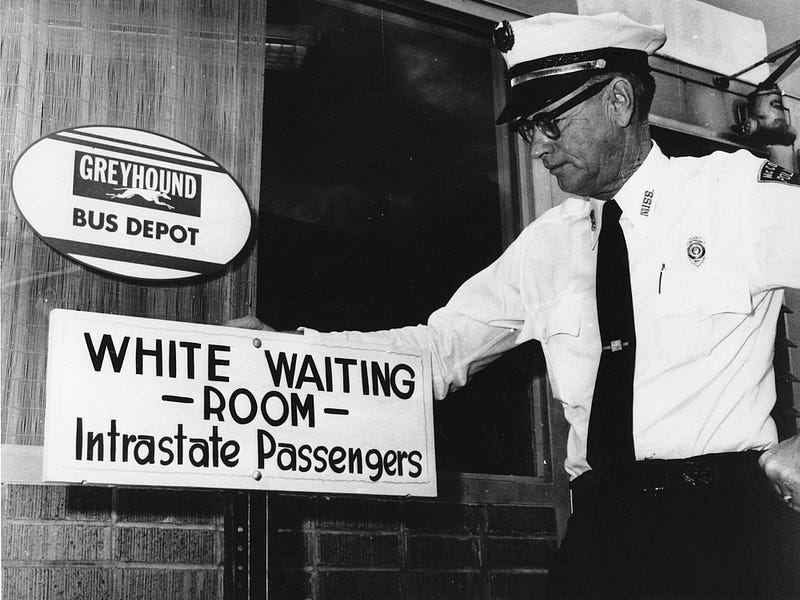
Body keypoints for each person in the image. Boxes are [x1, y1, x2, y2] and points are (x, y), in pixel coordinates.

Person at [229, 12, 800, 599]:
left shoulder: (731, 194)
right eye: (529, 129)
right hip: (602, 529)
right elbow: (438, 349)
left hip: (722, 527)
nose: (537, 151)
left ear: (620, 101)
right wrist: (288, 353)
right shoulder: (548, 246)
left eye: (551, 124)